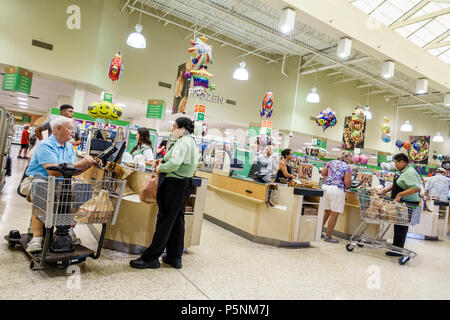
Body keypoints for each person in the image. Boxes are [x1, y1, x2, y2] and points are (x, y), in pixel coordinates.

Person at [130, 117, 199, 269]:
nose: (172, 130)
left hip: (174, 185)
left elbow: (174, 164)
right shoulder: (191, 142)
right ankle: (174, 256)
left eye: (174, 127)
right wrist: (162, 161)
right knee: (176, 221)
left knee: (165, 221)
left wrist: (161, 168)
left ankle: (151, 258)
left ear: (182, 128)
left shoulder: (183, 142)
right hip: (183, 185)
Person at [25, 116, 101, 252]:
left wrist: (89, 164)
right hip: (39, 179)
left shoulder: (69, 147)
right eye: (70, 128)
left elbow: (74, 171)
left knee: (83, 190)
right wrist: (81, 162)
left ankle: (69, 229)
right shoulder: (45, 145)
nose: (73, 132)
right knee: (43, 188)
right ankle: (37, 237)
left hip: (62, 181)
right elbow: (53, 171)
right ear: (57, 129)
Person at [380, 153, 421, 255]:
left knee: (401, 226)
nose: (395, 164)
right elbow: (399, 182)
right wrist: (387, 189)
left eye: (396, 162)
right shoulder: (403, 171)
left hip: (408, 202)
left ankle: (398, 250)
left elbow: (416, 188)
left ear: (402, 162)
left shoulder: (410, 172)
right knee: (398, 225)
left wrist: (400, 194)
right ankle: (396, 247)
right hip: (402, 202)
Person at [321, 151, 353, 243]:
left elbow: (323, 173)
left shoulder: (331, 162)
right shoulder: (346, 167)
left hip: (326, 188)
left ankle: (318, 232)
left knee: (326, 212)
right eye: (350, 157)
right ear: (346, 157)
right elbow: (347, 184)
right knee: (334, 214)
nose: (351, 159)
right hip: (337, 190)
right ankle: (328, 236)